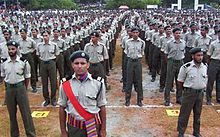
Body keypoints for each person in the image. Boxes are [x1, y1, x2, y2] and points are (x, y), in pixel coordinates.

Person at [58, 51, 107, 137]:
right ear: (72, 65)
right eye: (76, 63)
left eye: (83, 63)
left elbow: (102, 106)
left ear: (88, 65)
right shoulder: (65, 84)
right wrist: (63, 131)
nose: (79, 66)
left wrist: (103, 129)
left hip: (93, 126)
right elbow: (62, 107)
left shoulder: (98, 83)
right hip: (74, 127)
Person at [1, 41, 36, 137]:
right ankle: (14, 135)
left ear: (17, 49)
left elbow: (27, 76)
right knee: (12, 115)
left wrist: (24, 88)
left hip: (20, 88)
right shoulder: (4, 63)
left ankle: (31, 134)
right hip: (9, 90)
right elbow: (4, 76)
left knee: (26, 113)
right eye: (9, 49)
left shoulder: (23, 62)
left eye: (13, 49)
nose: (11, 51)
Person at [177, 47, 207, 137]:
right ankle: (181, 132)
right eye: (198, 55)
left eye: (201, 55)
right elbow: (180, 82)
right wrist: (184, 93)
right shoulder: (186, 67)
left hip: (200, 93)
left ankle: (196, 131)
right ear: (193, 56)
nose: (200, 57)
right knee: (185, 113)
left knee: (198, 114)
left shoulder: (204, 67)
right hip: (189, 93)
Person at [36, 30, 59, 106]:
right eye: (44, 36)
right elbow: (38, 55)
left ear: (49, 36)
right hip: (43, 63)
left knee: (53, 82)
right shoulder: (39, 45)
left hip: (51, 62)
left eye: (46, 35)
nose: (45, 37)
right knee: (44, 82)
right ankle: (46, 99)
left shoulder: (54, 45)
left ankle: (53, 99)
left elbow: (57, 55)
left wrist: (52, 62)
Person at [124, 27, 145, 107]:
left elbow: (142, 52)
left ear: (138, 33)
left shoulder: (142, 42)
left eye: (137, 32)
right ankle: (127, 99)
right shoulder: (127, 42)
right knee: (129, 81)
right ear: (131, 33)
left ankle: (139, 100)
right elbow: (126, 52)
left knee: (139, 81)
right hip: (130, 61)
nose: (135, 34)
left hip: (138, 62)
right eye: (134, 32)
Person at [164, 28, 185, 106]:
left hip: (180, 62)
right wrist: (169, 63)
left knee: (179, 81)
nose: (178, 34)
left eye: (179, 33)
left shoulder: (183, 43)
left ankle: (179, 98)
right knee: (169, 81)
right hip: (171, 62)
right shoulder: (169, 43)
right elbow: (166, 54)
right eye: (176, 33)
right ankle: (167, 99)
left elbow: (183, 53)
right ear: (173, 34)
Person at [206, 29, 220, 105]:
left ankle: (219, 98)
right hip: (214, 62)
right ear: (218, 34)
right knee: (211, 81)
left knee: (219, 82)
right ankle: (208, 98)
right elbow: (209, 55)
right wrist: (210, 64)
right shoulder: (213, 44)